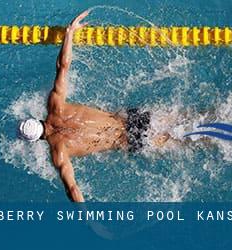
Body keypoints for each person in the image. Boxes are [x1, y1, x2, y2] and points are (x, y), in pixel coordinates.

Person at [18, 11, 170, 202]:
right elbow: (63, 66)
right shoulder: (55, 105)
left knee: (188, 141)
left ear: (36, 140)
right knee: (186, 118)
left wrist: (90, 221)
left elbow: (72, 189)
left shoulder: (59, 152)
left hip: (131, 140)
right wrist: (69, 33)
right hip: (132, 118)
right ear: (36, 119)